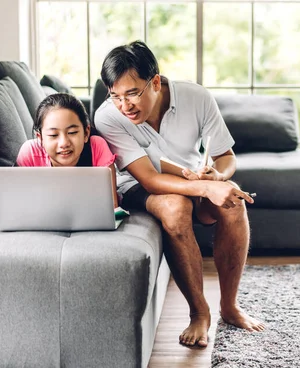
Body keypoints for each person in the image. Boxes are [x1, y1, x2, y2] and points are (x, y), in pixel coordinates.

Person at [94, 40, 265, 347]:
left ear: (155, 82)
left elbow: (227, 157)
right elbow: (149, 179)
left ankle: (229, 306)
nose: (125, 105)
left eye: (132, 93)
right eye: (115, 96)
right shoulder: (108, 117)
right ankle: (199, 313)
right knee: (175, 208)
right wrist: (205, 188)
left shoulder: (196, 97)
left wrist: (218, 176)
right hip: (136, 185)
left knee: (234, 202)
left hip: (190, 175)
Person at [16, 93, 118, 207]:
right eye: (53, 135)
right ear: (40, 139)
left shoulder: (96, 147)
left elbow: (112, 207)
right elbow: (19, 204)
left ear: (86, 133)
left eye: (72, 132)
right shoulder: (30, 153)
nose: (64, 143)